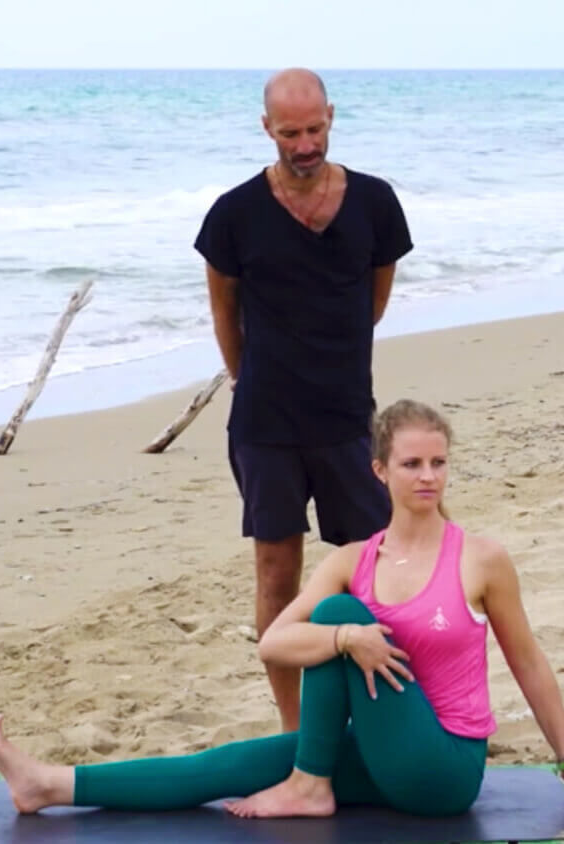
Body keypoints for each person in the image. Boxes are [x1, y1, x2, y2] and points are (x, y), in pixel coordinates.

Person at [0, 399, 564, 819]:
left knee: (331, 620)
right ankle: (49, 785)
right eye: (412, 463)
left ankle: (310, 785)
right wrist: (352, 639)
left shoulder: (480, 559)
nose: (428, 476)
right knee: (233, 764)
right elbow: (272, 643)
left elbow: (528, 661)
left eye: (439, 462)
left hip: (444, 768)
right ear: (380, 471)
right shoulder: (354, 558)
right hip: (381, 751)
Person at [194, 66, 414, 732]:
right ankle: (296, 730)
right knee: (275, 572)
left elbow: (374, 301)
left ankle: (386, 714)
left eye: (314, 129)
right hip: (264, 422)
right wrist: (252, 375)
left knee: (379, 564)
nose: (304, 144)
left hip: (347, 416)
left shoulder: (375, 202)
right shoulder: (233, 214)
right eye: (290, 133)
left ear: (331, 119)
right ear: (268, 130)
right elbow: (224, 315)